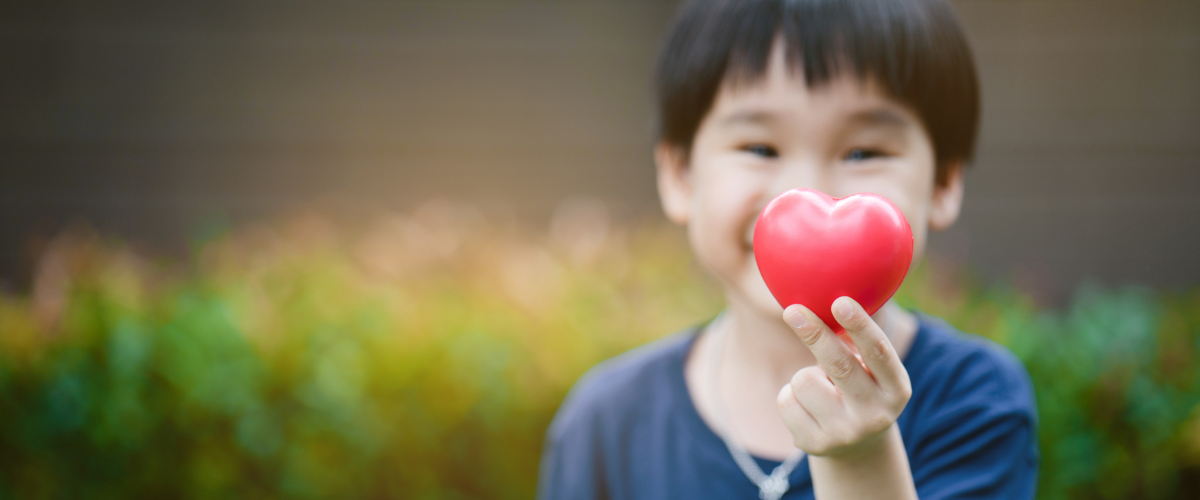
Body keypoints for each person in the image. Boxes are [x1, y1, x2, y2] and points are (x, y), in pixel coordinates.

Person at [536, 0, 1038, 498]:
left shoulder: (976, 400)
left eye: (864, 152)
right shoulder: (606, 421)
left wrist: (859, 459)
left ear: (944, 183)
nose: (806, 189)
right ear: (680, 175)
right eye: (760, 148)